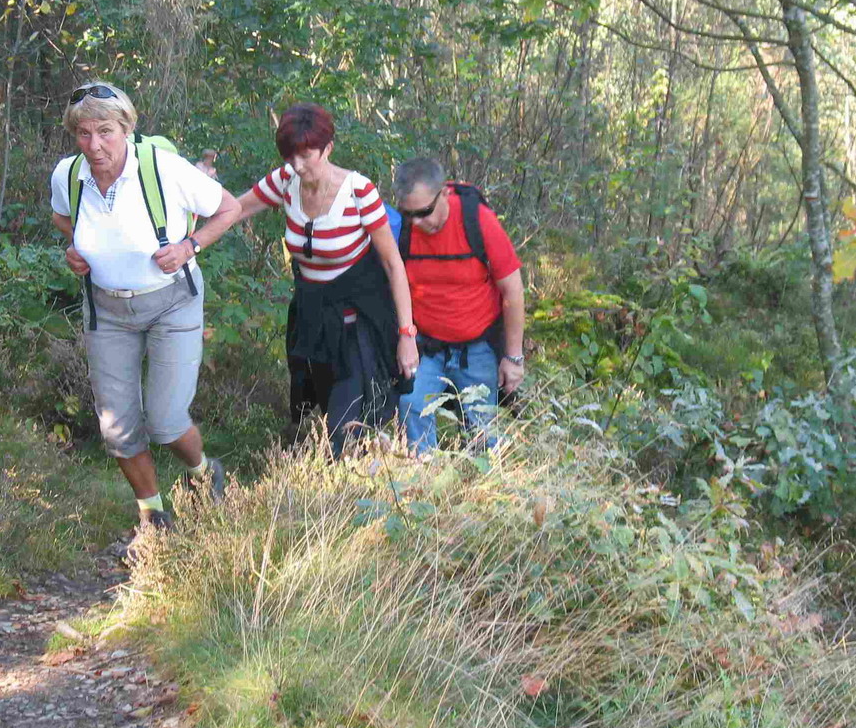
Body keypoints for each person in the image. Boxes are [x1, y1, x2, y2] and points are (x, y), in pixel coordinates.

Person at [50, 81, 241, 531]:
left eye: (105, 132)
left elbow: (229, 209)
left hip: (172, 304)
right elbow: (63, 215)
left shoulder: (162, 168)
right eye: (83, 134)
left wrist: (189, 246)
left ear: (126, 129)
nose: (94, 146)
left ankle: (202, 473)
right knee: (117, 428)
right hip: (106, 311)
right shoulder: (67, 175)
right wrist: (76, 250)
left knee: (167, 420)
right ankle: (153, 517)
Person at [234, 103, 419, 457]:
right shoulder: (285, 181)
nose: (297, 165)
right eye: (290, 156)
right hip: (315, 324)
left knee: (346, 425)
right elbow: (235, 209)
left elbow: (394, 266)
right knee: (327, 412)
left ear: (328, 148)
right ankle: (353, 489)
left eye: (306, 155)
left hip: (359, 327)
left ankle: (356, 499)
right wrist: (191, 222)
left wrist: (407, 335)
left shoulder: (358, 191)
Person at [392, 157, 526, 454]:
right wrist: (405, 336)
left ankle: (481, 492)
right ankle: (421, 483)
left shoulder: (478, 221)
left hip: (477, 348)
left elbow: (513, 292)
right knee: (411, 405)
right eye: (408, 213)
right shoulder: (402, 229)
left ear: (445, 194)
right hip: (426, 346)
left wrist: (513, 358)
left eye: (424, 212)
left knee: (481, 430)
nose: (417, 222)